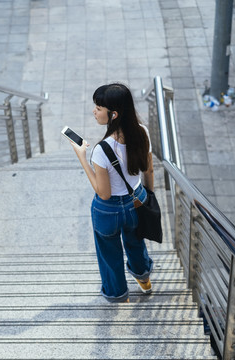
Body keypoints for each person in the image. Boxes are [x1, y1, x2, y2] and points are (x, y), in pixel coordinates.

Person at [68, 83, 155, 303]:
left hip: (108, 211)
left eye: (98, 108)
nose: (94, 111)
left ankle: (119, 296)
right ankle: (144, 281)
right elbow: (149, 168)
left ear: (113, 114)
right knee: (136, 243)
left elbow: (103, 193)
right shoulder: (142, 132)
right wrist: (149, 197)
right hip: (137, 200)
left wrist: (82, 157)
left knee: (109, 254)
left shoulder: (101, 150)